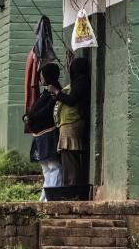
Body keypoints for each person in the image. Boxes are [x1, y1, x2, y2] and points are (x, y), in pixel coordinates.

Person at [24, 63, 62, 201]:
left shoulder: (54, 92)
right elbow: (35, 108)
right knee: (46, 168)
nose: (40, 78)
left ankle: (52, 197)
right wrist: (27, 116)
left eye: (42, 75)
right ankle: (45, 197)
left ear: (48, 76)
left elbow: (47, 111)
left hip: (49, 134)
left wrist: (32, 117)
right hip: (40, 135)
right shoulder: (45, 92)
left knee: (54, 166)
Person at [50, 57, 90, 187]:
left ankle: (71, 186)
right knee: (67, 156)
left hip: (71, 124)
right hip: (68, 124)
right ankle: (69, 184)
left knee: (69, 156)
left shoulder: (82, 81)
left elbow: (72, 100)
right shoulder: (78, 82)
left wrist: (57, 92)